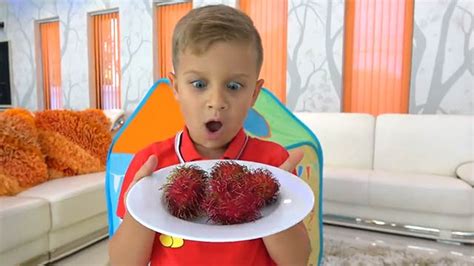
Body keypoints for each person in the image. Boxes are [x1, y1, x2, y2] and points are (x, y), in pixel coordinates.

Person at [109, 4, 311, 266]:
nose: (216, 101)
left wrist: (269, 199)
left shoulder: (274, 164)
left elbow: (296, 260)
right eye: (199, 84)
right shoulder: (150, 163)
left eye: (234, 86)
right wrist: (141, 206)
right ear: (176, 87)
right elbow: (122, 262)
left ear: (254, 94)